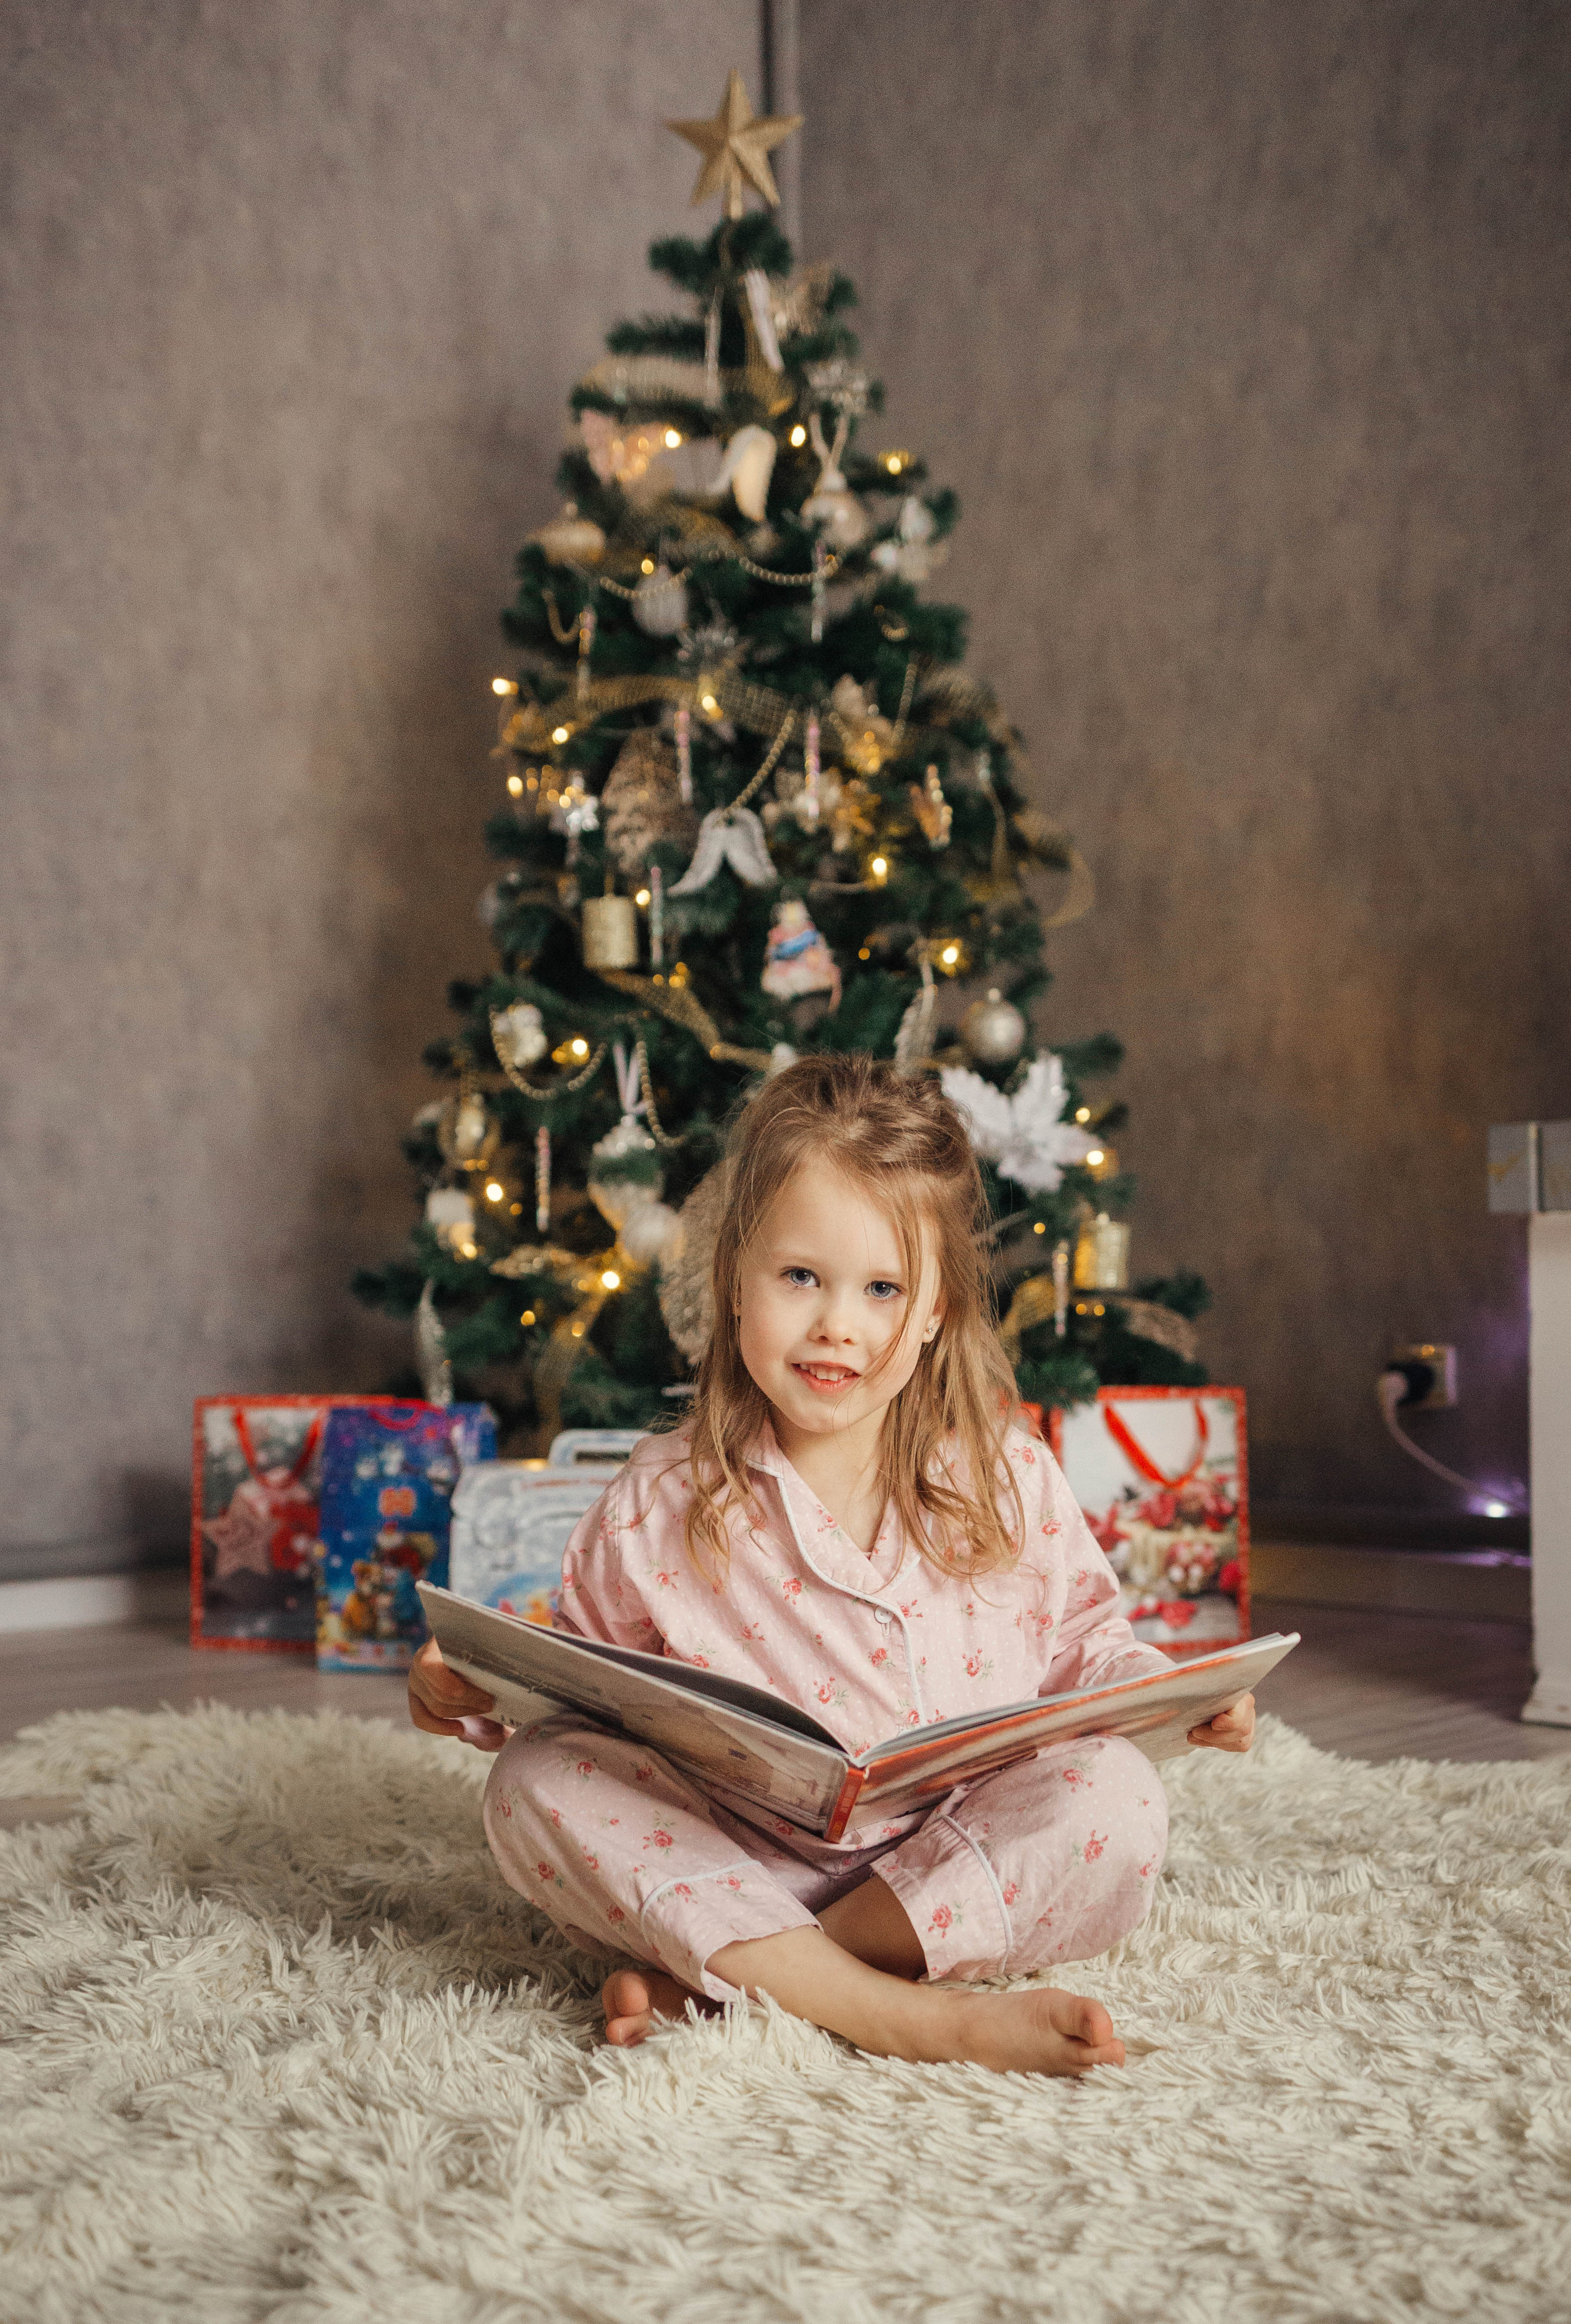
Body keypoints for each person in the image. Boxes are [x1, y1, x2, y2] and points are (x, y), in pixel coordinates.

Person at [409, 1054, 1254, 2077]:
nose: (836, 1325)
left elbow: (1086, 1645)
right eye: (801, 1276)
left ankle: (752, 1982)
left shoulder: (1005, 1474)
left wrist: (1173, 1697)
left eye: (884, 1288)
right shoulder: (657, 1500)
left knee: (1114, 1797)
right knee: (535, 1783)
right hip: (726, 1858)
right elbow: (575, 1692)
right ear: (735, 1280)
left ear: (937, 1309)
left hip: (945, 1859)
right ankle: (914, 2020)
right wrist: (470, 1689)